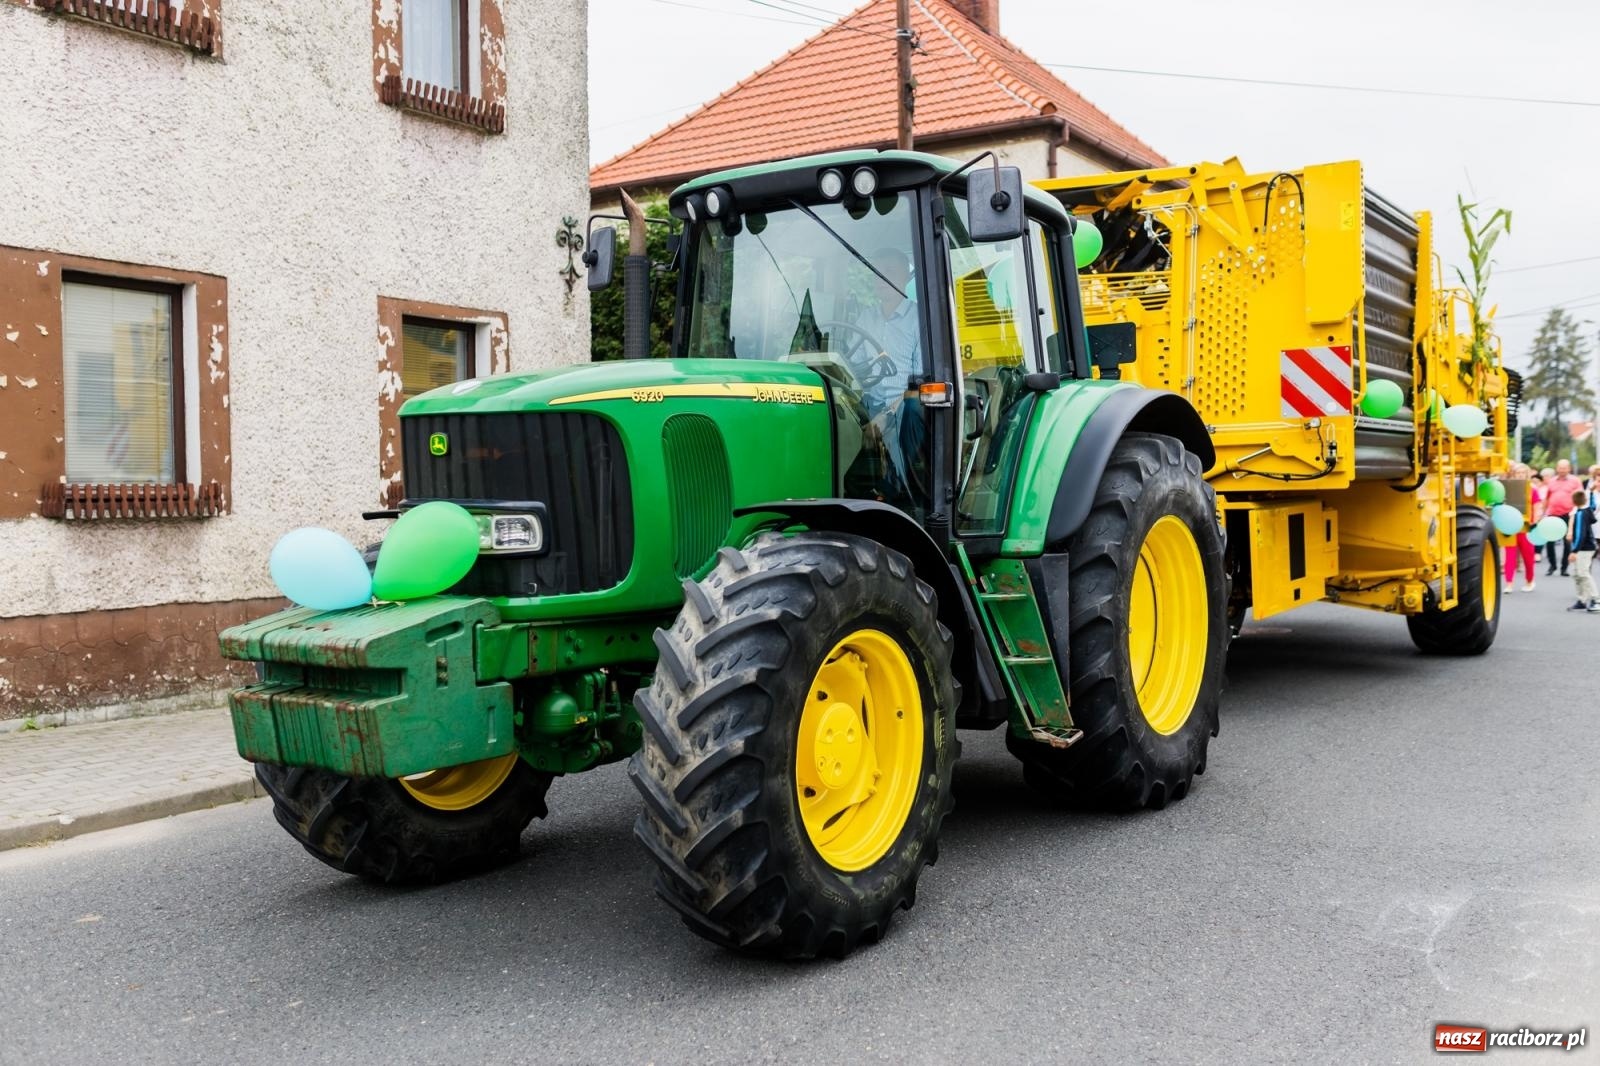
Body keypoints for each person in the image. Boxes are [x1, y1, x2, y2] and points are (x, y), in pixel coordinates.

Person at [1541, 460, 1584, 576]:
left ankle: (1564, 568)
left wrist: (1579, 512)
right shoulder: (1552, 481)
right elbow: (1547, 498)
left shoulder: (1575, 481)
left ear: (1569, 469)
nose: (1562, 470)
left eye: (1564, 468)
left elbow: (1580, 496)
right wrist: (1543, 513)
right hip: (1553, 514)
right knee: (1550, 541)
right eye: (1560, 468)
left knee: (1567, 542)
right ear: (1557, 468)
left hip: (1569, 515)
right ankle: (1552, 565)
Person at [1503, 462, 1538, 591]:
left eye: (1523, 473)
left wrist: (1535, 522)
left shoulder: (1532, 489)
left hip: (1527, 525)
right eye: (1518, 473)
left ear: (1527, 475)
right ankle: (1509, 583)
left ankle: (1530, 581)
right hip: (1510, 525)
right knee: (1510, 555)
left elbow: (1537, 506)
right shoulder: (1507, 489)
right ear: (1513, 475)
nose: (1520, 475)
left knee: (1528, 555)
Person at [1566, 488, 1598, 612]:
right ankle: (1582, 600)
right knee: (1576, 574)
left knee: (1583, 573)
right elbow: (1593, 506)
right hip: (1586, 547)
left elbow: (1580, 534)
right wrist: (1590, 494)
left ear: (1573, 501)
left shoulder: (1580, 514)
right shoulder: (1587, 510)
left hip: (1584, 548)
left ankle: (1596, 600)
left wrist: (1574, 551)